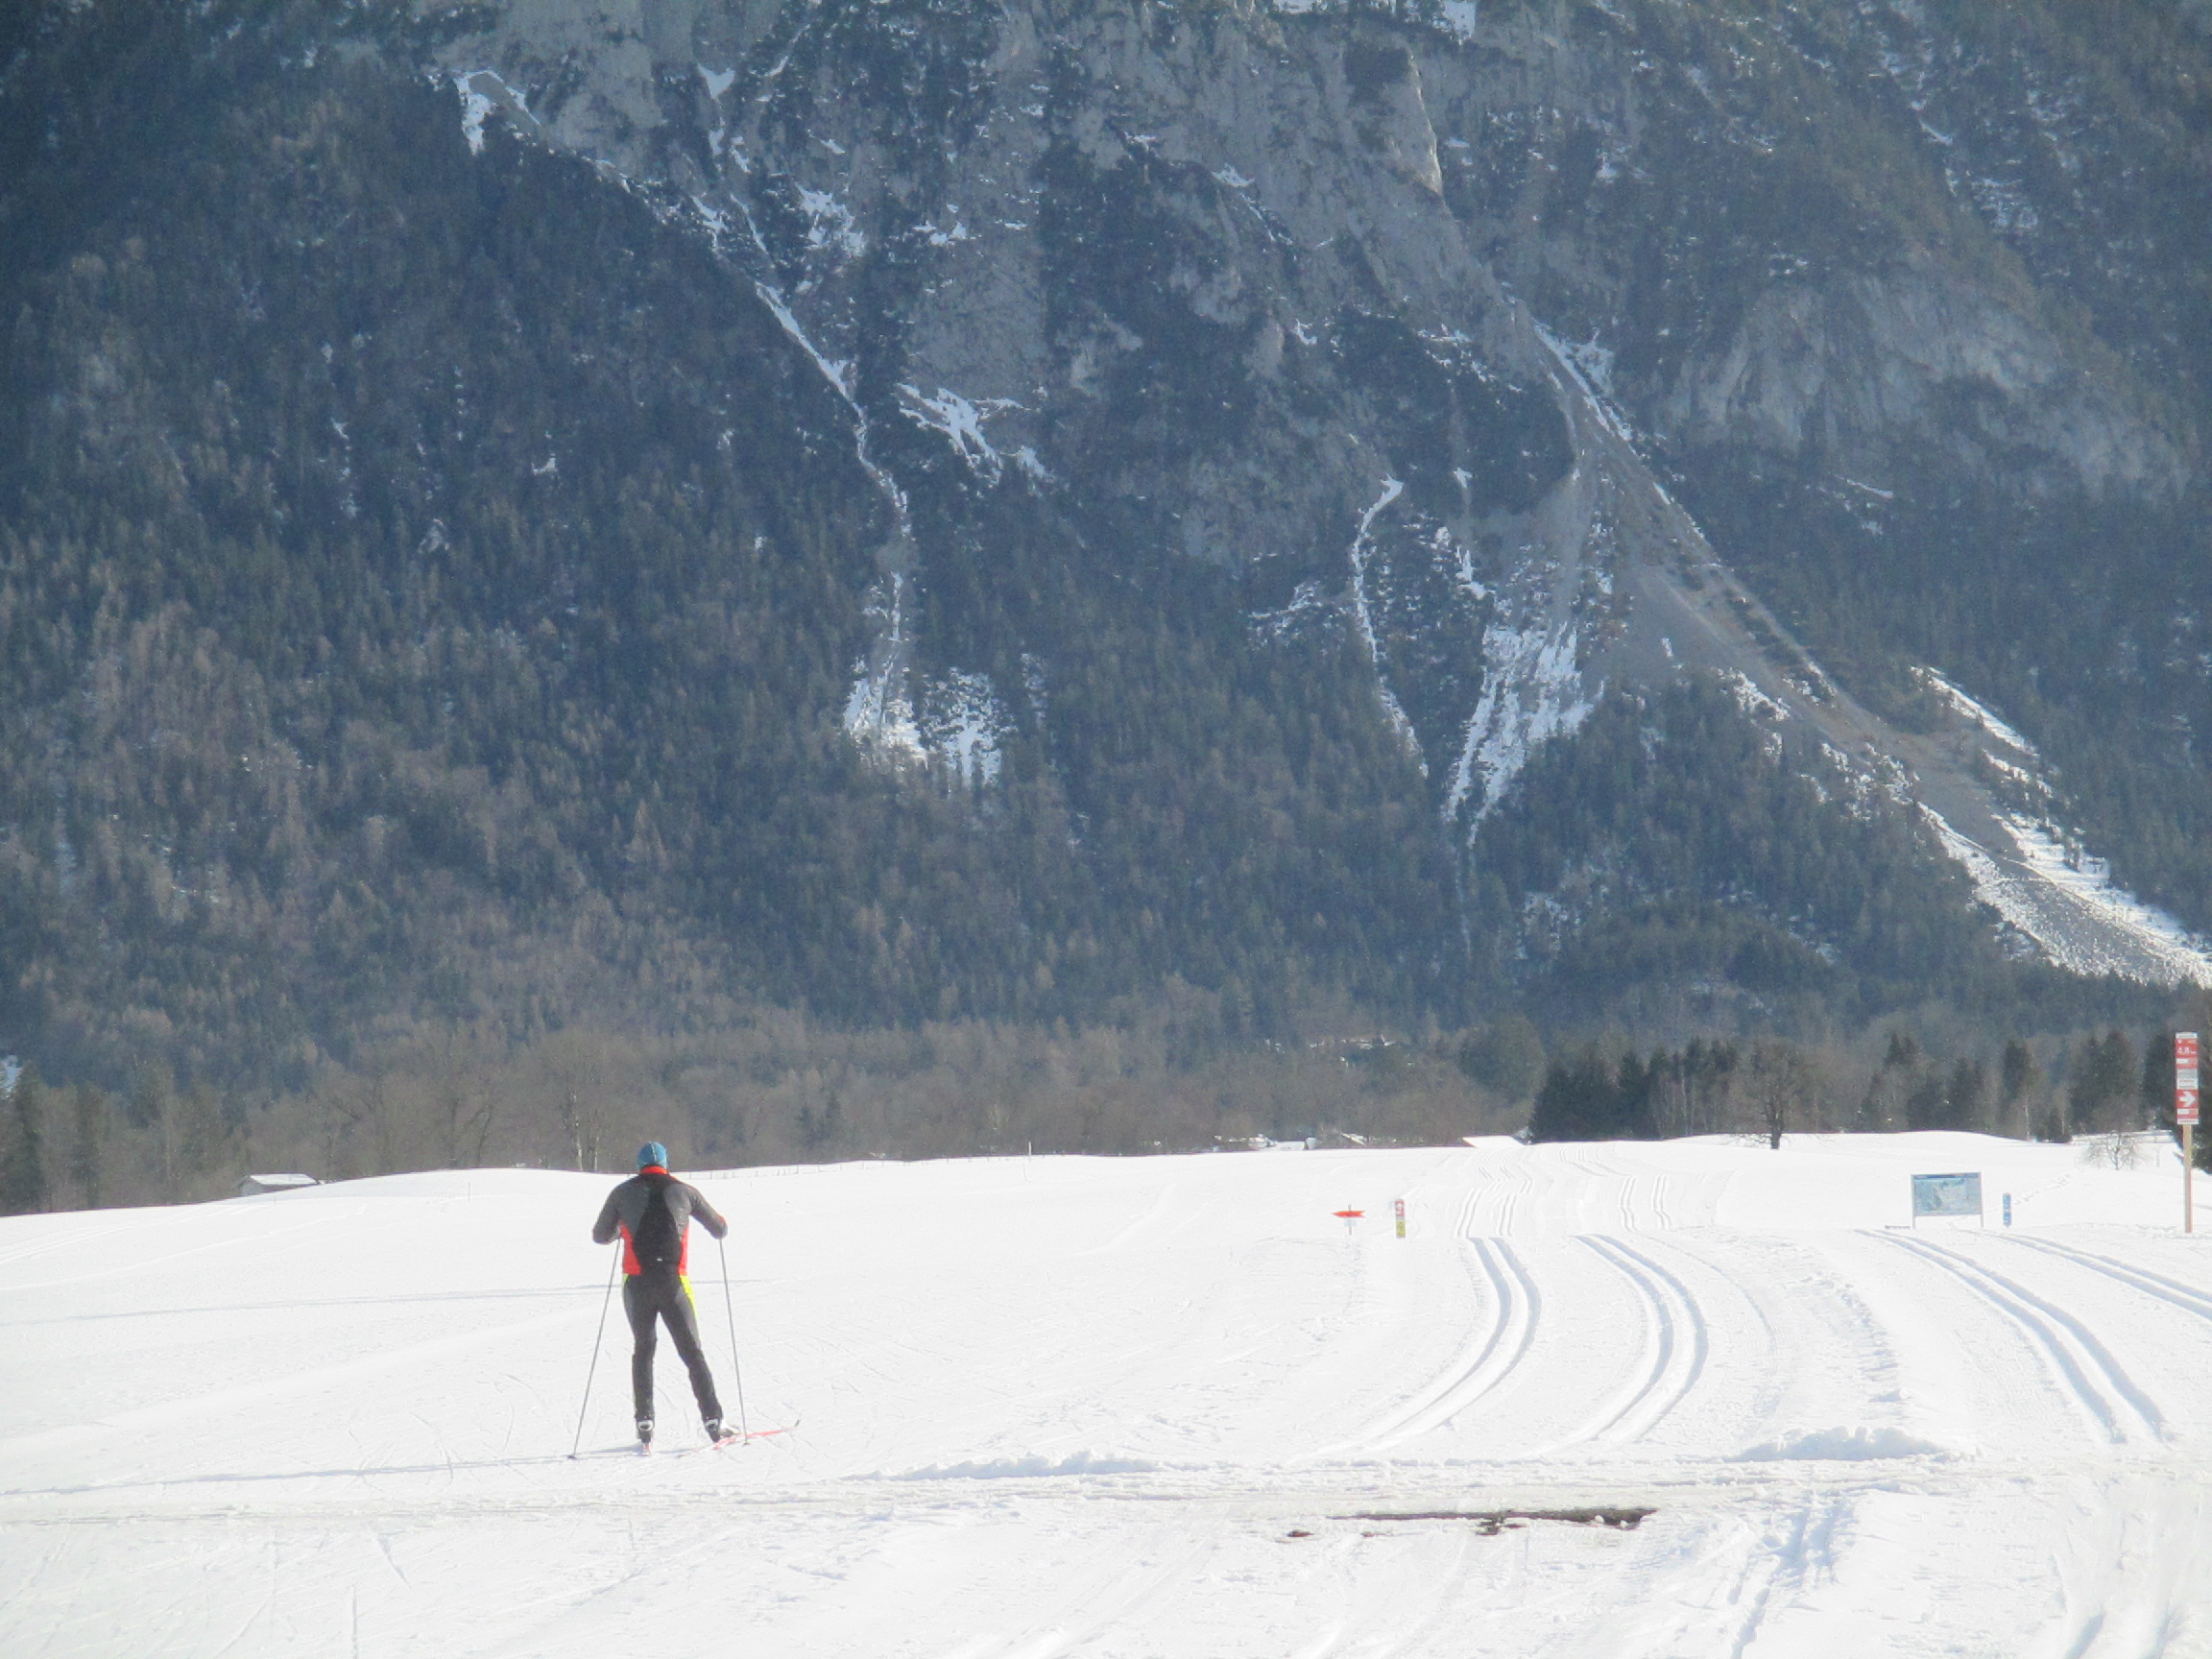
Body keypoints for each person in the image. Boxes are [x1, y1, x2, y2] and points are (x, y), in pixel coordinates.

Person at [590, 1142, 731, 1450]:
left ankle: (644, 1422)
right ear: (666, 1164)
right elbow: (719, 1228)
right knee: (692, 1352)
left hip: (636, 1284)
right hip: (674, 1282)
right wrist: (721, 1226)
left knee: (644, 1349)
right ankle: (713, 1420)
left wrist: (621, 1232)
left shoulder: (622, 1192)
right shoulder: (684, 1191)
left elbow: (600, 1235)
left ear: (639, 1165)